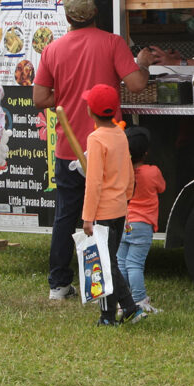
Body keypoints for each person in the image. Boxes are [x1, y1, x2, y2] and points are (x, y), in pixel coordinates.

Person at [33, 0, 154, 301]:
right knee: (109, 218)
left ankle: (58, 284)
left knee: (65, 216)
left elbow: (39, 98)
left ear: (68, 16)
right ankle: (106, 284)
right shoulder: (113, 43)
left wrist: (67, 91)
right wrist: (142, 61)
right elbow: (137, 84)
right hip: (108, 147)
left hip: (68, 147)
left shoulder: (52, 50)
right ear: (95, 12)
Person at [80, 84, 147, 326]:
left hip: (103, 213)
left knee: (105, 265)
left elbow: (94, 182)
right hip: (119, 209)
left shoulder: (95, 139)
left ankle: (120, 311)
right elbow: (129, 174)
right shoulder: (120, 134)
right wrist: (126, 200)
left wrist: (88, 217)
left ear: (91, 111)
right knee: (110, 262)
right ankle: (119, 312)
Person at [117, 126, 166, 314]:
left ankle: (122, 299)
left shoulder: (123, 171)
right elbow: (162, 187)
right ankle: (139, 300)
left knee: (121, 261)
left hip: (124, 221)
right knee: (135, 264)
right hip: (142, 225)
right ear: (146, 152)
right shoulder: (152, 172)